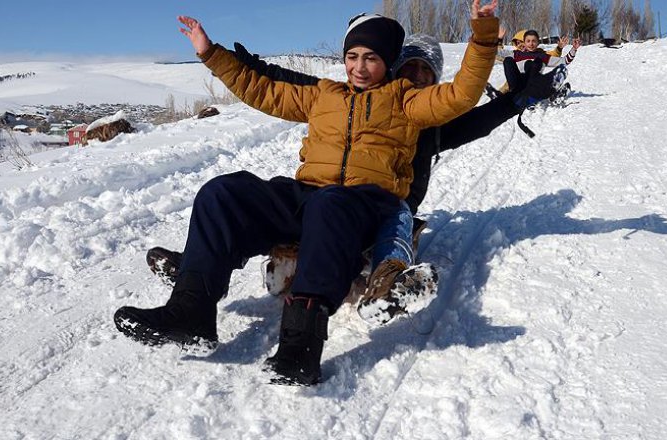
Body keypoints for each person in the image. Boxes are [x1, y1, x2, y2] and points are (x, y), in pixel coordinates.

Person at [114, 2, 501, 386]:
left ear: (388, 62)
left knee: (331, 203)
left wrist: (482, 33)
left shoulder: (407, 101)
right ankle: (190, 312)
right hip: (311, 194)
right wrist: (209, 53)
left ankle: (301, 345)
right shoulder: (324, 95)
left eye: (371, 58)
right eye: (352, 56)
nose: (359, 67)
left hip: (366, 204)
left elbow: (462, 94)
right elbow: (262, 89)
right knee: (224, 192)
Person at [147, 34, 565, 326]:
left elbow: (475, 118)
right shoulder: (371, 100)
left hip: (387, 203)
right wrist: (248, 66)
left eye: (426, 72)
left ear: (435, 78)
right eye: (410, 68)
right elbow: (297, 87)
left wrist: (514, 102)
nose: (418, 77)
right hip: (335, 198)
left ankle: (388, 285)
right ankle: (199, 267)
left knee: (399, 220)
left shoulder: (434, 121)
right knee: (253, 196)